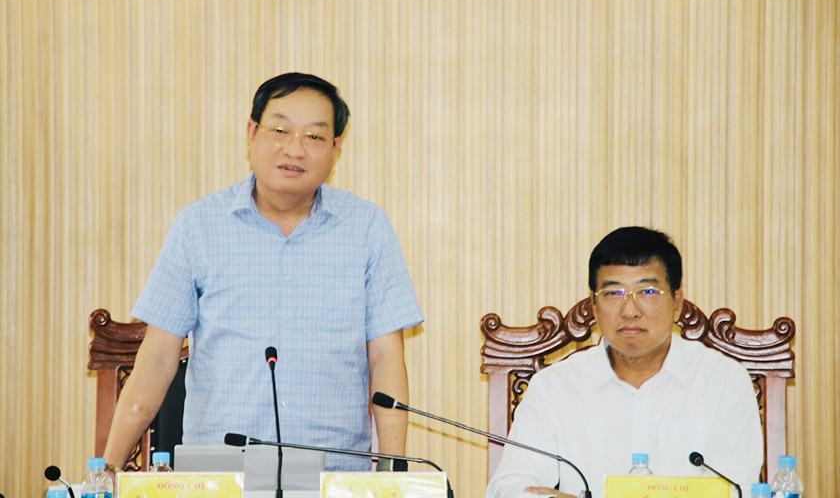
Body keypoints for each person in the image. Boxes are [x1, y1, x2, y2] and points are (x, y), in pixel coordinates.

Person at [102, 72, 423, 474]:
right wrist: (106, 470)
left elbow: (387, 358)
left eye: (315, 136)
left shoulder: (368, 228)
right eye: (280, 131)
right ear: (252, 133)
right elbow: (157, 359)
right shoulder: (199, 226)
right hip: (219, 477)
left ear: (336, 148)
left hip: (333, 474)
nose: (295, 149)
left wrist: (392, 476)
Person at [486, 226, 762, 498]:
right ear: (594, 307)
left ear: (677, 302)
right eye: (613, 293)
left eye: (648, 292)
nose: (630, 310)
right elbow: (510, 488)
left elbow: (741, 490)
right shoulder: (554, 387)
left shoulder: (723, 382)